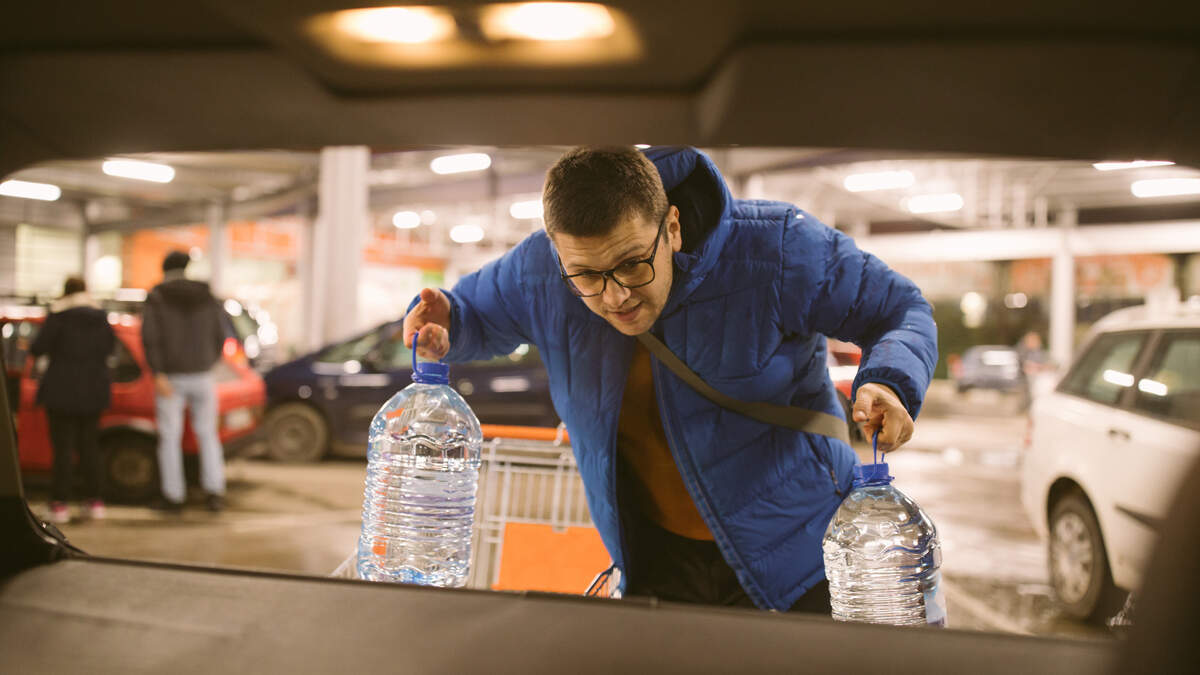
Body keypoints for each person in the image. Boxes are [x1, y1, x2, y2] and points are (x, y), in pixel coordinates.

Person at [402, 146, 938, 612]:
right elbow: (469, 313)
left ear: (673, 227)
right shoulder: (538, 271)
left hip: (804, 558)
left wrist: (889, 380)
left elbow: (899, 309)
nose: (616, 296)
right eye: (586, 275)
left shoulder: (776, 249)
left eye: (633, 263)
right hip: (656, 565)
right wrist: (443, 321)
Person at [141, 250, 228, 513]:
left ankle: (174, 497)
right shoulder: (207, 295)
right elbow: (221, 334)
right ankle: (214, 493)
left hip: (170, 377)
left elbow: (150, 337)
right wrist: (209, 362)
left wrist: (157, 372)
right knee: (208, 435)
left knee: (169, 438)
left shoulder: (157, 296)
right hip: (203, 374)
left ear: (165, 269)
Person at [30, 276, 115, 524]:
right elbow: (110, 348)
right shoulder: (100, 317)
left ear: (65, 292)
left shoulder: (58, 315)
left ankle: (59, 504)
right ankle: (94, 502)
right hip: (93, 390)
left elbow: (38, 347)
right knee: (90, 447)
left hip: (61, 390)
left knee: (63, 450)